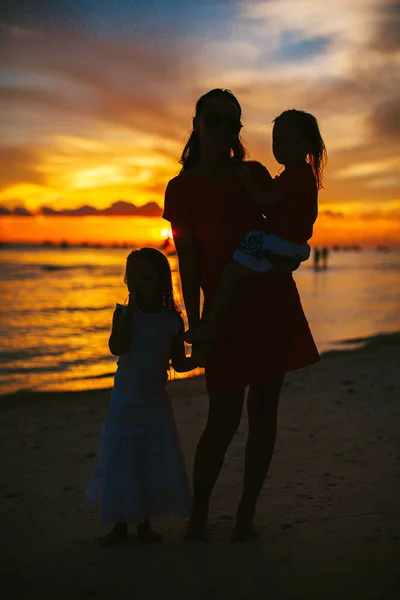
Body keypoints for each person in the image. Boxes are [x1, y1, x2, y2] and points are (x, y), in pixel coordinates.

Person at [163, 88, 321, 542]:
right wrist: (196, 325)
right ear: (196, 123)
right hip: (225, 316)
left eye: (232, 123)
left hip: (273, 306)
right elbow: (188, 262)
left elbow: (289, 219)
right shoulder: (182, 189)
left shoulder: (252, 173)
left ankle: (246, 517)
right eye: (214, 119)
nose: (223, 130)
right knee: (223, 419)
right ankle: (199, 516)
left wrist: (292, 256)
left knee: (264, 414)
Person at [85, 248, 198, 545]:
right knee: (122, 462)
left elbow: (179, 363)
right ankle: (119, 526)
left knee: (149, 461)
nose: (135, 284)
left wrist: (203, 356)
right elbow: (116, 347)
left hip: (155, 404)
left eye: (144, 278)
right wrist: (132, 310)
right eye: (130, 277)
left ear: (161, 281)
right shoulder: (123, 315)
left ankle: (145, 524)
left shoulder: (171, 320)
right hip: (124, 402)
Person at [184, 108, 326, 342]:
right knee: (246, 273)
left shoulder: (297, 175)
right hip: (290, 244)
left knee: (231, 274)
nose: (280, 147)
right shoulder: (297, 175)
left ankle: (211, 326)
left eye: (288, 141)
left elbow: (264, 203)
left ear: (308, 146)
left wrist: (246, 181)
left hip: (281, 242)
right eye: (276, 140)